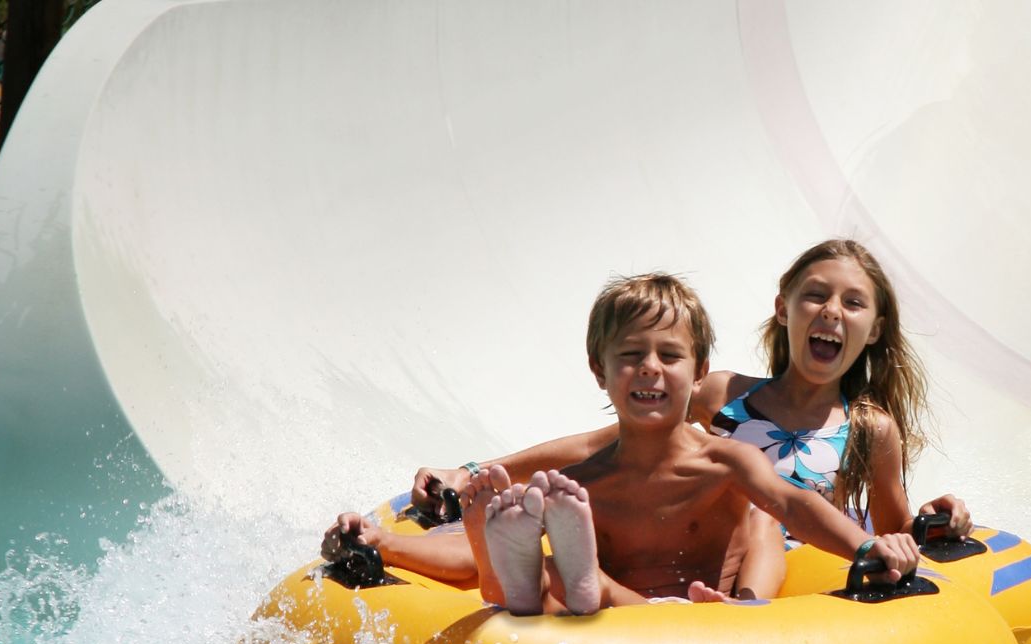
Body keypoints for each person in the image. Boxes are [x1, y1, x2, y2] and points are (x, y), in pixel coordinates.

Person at [321, 238, 966, 596]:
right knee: (535, 530)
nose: (830, 312)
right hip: (668, 554)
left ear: (875, 328)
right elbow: (598, 445)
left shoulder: (869, 428)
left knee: (764, 512)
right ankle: (513, 569)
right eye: (816, 297)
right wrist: (470, 471)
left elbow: (850, 516)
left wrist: (921, 530)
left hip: (775, 569)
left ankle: (572, 583)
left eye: (852, 303)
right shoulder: (716, 395)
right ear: (784, 309)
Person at [473, 272, 919, 614]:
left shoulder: (726, 461)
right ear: (598, 369)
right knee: (547, 570)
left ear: (700, 371)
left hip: (710, 615)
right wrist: (455, 518)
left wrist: (863, 547)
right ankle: (531, 589)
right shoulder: (579, 483)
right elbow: (584, 446)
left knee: (762, 514)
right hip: (624, 616)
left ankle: (581, 589)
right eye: (631, 356)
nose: (650, 367)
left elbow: (792, 504)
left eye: (669, 356)